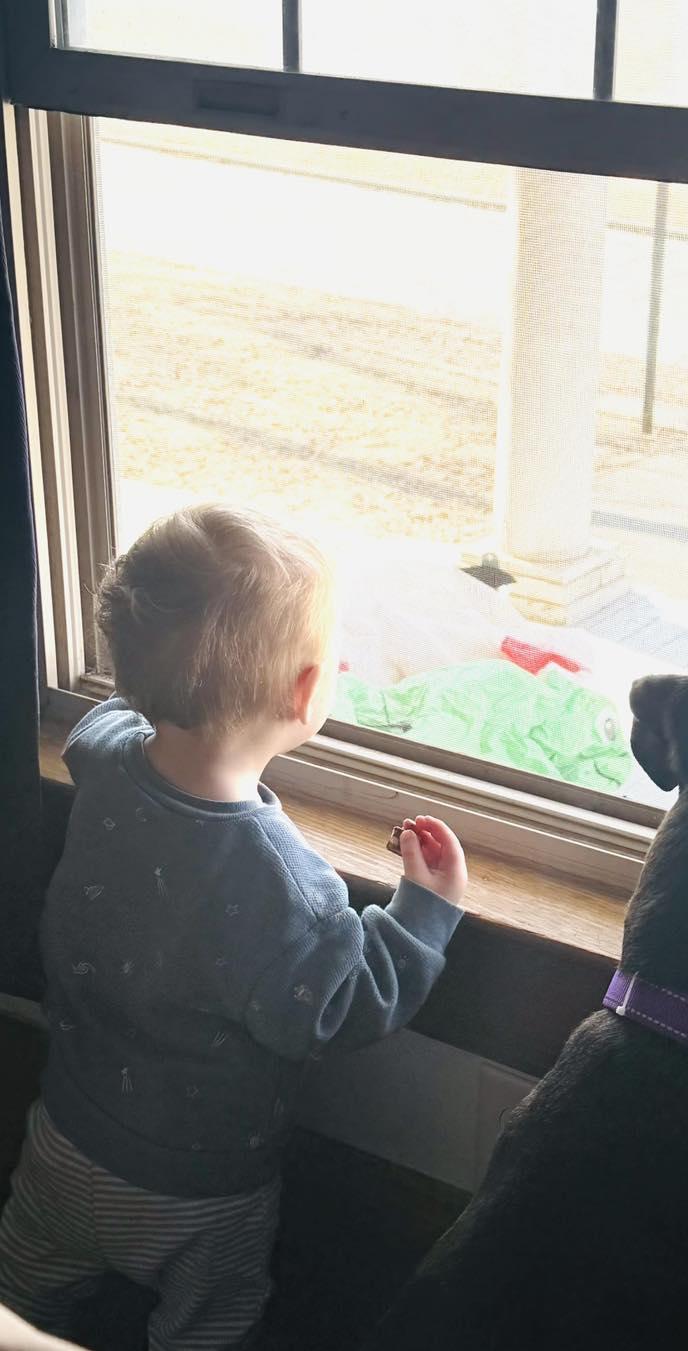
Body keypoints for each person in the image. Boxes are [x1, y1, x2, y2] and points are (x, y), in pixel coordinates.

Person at [0, 505, 466, 1350]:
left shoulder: (103, 752)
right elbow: (344, 1003)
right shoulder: (286, 883)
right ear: (304, 693)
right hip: (199, 1193)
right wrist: (424, 910)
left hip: (62, 1137)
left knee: (22, 1286)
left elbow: (116, 715)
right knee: (210, 1320)